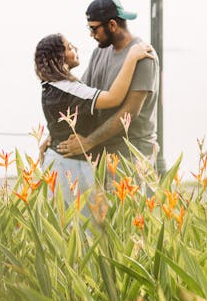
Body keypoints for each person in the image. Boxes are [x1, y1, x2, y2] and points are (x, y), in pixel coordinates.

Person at [34, 32, 153, 200]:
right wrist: (131, 58)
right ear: (60, 58)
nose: (74, 48)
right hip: (73, 166)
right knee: (88, 225)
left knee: (65, 223)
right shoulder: (71, 89)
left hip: (57, 161)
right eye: (69, 47)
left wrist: (52, 134)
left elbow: (59, 118)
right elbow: (114, 98)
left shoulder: (51, 85)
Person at [56, 0, 159, 162]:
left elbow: (130, 112)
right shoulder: (100, 52)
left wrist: (88, 142)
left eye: (94, 29)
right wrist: (54, 135)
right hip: (101, 151)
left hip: (132, 155)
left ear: (112, 25)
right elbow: (80, 97)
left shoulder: (144, 55)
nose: (91, 35)